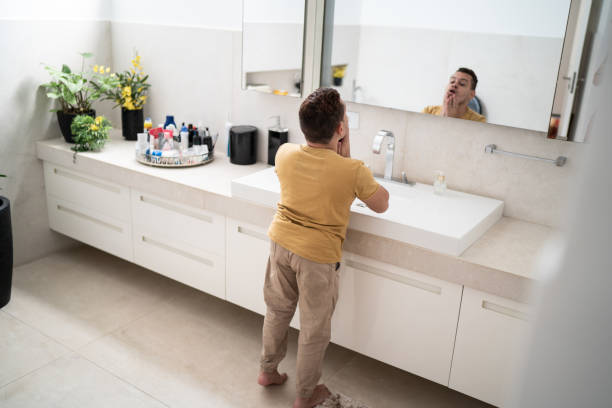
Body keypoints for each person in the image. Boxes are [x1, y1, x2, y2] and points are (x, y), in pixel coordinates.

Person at [257, 88, 390, 408]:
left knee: (277, 310)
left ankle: (268, 371)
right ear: (341, 129)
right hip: (316, 257)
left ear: (304, 126)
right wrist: (346, 155)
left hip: (280, 243)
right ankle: (307, 395)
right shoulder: (353, 170)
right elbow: (382, 204)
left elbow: (311, 176)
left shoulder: (285, 153)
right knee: (314, 329)